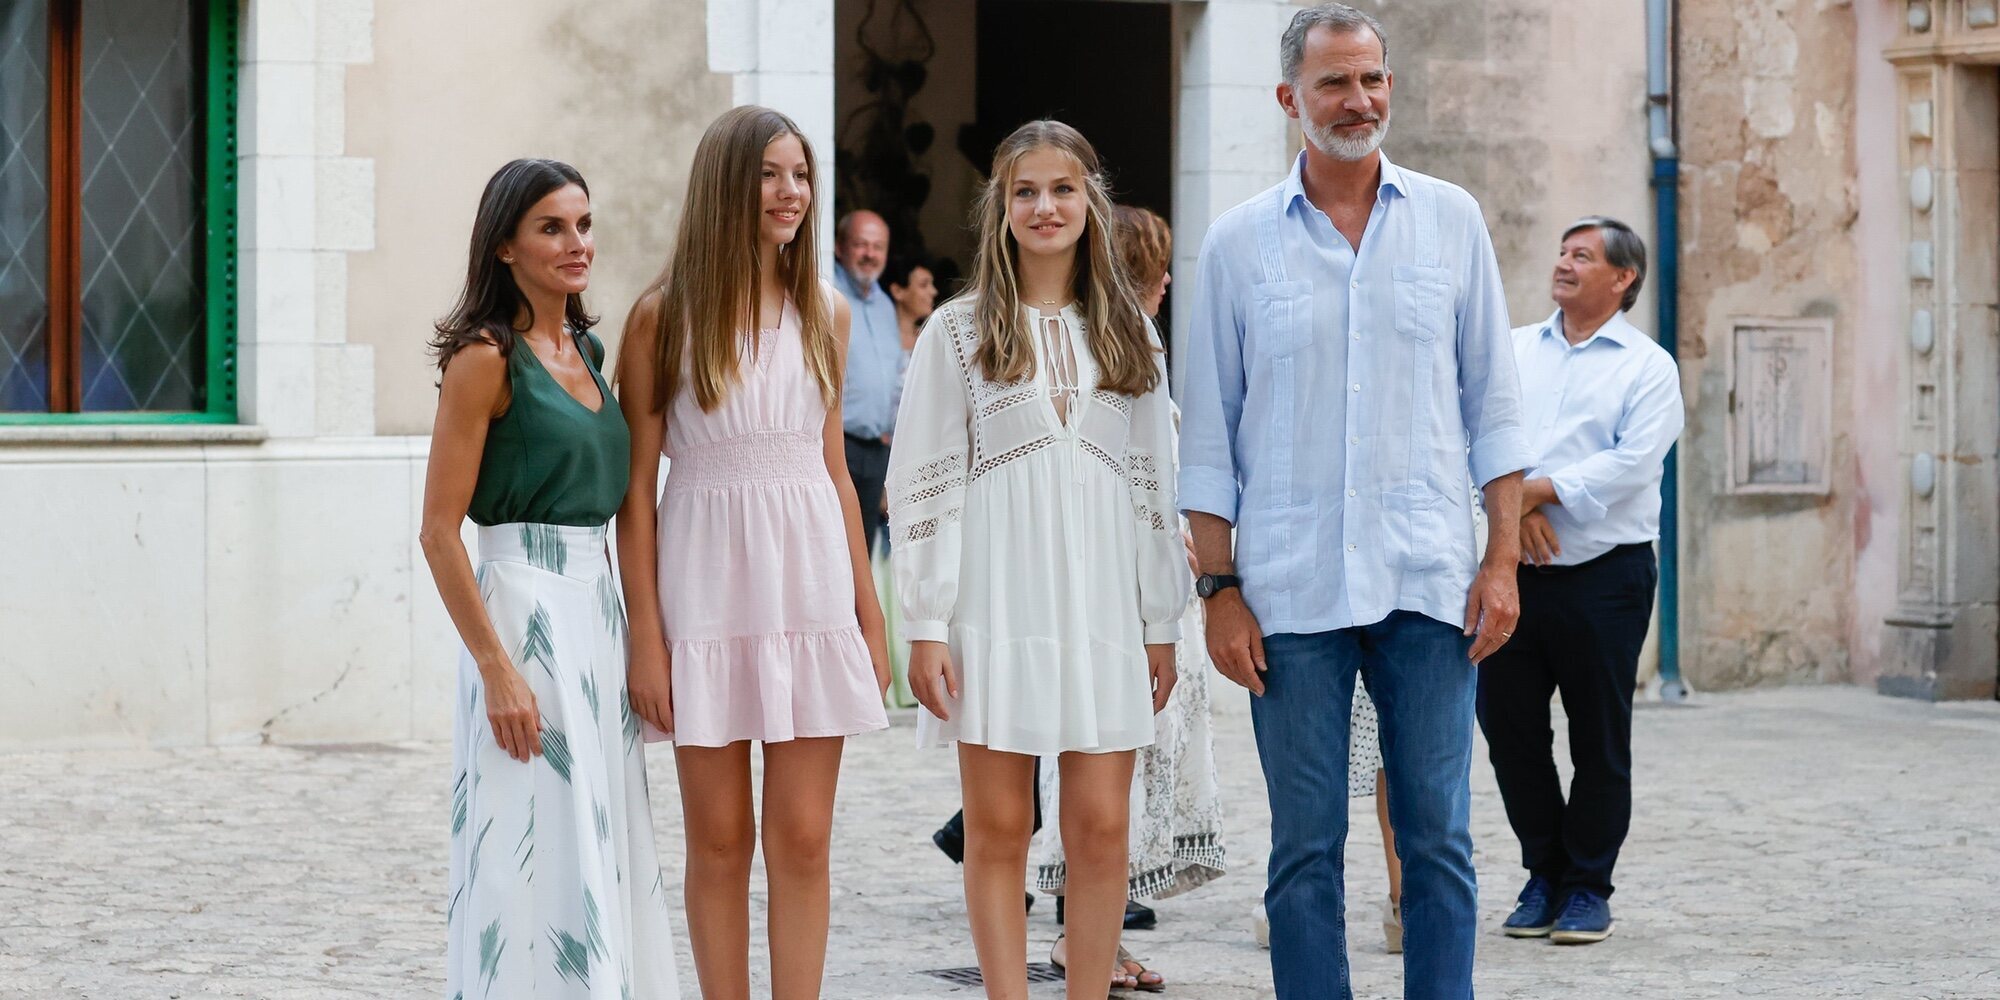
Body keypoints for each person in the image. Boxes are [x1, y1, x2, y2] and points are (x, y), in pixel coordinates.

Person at [1177, 5, 1532, 998]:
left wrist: (1499, 561)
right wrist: (1218, 588)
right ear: (1289, 98)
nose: (1358, 100)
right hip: (1288, 592)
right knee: (1302, 849)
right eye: (1334, 82)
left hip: (1428, 580)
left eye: (1371, 79)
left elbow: (1493, 410)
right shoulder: (1239, 245)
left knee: (1438, 838)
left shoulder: (1450, 221)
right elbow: (1208, 435)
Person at [887, 120, 1188, 1000]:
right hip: (995, 608)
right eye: (1026, 191)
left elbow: (1150, 485)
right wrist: (928, 623)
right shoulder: (956, 331)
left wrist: (1161, 619)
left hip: (1103, 608)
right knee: (1000, 826)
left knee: (1099, 828)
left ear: (1090, 202)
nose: (1045, 206)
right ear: (1001, 208)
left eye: (1063, 189)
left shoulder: (1131, 332)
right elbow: (925, 485)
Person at [614, 106, 891, 1000]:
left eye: (801, 175)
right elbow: (636, 494)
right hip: (703, 592)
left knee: (805, 838)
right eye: (771, 174)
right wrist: (644, 635)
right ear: (728, 183)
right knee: (720, 839)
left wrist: (868, 607)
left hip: (809, 586)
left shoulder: (828, 312)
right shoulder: (663, 317)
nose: (790, 193)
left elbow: (836, 472)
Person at [421, 158, 679, 1000]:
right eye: (552, 228)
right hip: (521, 609)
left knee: (597, 840)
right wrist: (497, 668)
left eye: (584, 225)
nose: (578, 244)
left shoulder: (591, 350)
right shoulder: (484, 359)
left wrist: (641, 636)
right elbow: (438, 533)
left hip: (595, 616)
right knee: (523, 844)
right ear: (504, 245)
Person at [1029, 204, 1222, 993]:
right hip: (1101, 587)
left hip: (1146, 583)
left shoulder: (1138, 341)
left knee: (1122, 775)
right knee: (1099, 773)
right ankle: (1084, 943)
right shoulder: (1096, 339)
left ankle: (1097, 941)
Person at [1478, 217, 1683, 946]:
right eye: (1562, 251)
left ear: (1623, 278)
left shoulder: (1646, 366)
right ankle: (1544, 873)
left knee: (1598, 737)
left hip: (1606, 576)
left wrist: (1534, 491)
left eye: (1583, 256)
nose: (1563, 264)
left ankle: (1589, 885)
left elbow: (1632, 465)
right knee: (1510, 734)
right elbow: (1476, 429)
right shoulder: (1511, 351)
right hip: (1509, 571)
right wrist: (1516, 506)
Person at [833, 209, 903, 553]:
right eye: (861, 244)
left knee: (862, 551)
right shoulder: (825, 295)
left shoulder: (886, 307)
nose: (870, 254)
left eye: (878, 246)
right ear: (839, 247)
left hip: (876, 450)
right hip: (835, 445)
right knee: (832, 549)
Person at [882, 253, 939, 354]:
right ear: (897, 291)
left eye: (931, 284)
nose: (933, 291)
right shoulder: (879, 338)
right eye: (923, 285)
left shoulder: (929, 338)